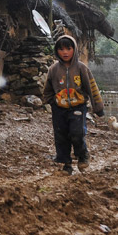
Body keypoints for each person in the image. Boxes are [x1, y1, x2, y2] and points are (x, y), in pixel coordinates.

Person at [42, 35, 105, 175]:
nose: (65, 52)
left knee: (77, 133)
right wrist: (52, 102)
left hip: (78, 107)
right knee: (61, 136)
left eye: (68, 48)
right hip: (59, 109)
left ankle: (82, 155)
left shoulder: (81, 68)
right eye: (61, 49)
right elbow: (47, 90)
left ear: (74, 49)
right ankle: (66, 165)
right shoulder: (53, 69)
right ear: (57, 51)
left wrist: (98, 107)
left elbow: (92, 88)